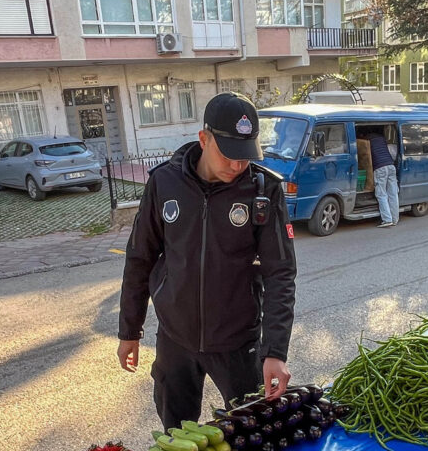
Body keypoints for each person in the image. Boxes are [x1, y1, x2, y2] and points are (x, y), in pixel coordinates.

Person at [117, 92, 297, 430]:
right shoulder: (164, 183)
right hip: (175, 340)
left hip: (238, 343)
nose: (237, 165)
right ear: (204, 139)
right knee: (176, 434)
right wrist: (130, 329)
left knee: (256, 433)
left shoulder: (263, 191)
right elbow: (140, 257)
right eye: (229, 154)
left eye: (246, 155)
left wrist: (275, 351)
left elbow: (280, 273)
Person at [363, 130, 399, 227]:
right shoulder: (381, 138)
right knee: (393, 194)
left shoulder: (365, 140)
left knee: (381, 194)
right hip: (391, 166)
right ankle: (395, 219)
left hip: (380, 168)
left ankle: (387, 220)